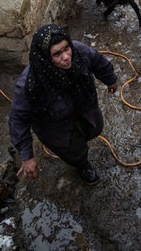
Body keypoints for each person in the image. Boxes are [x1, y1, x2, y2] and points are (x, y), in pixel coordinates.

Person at [9, 24, 118, 185]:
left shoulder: (79, 52)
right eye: (57, 54)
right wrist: (27, 156)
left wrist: (110, 79)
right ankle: (82, 165)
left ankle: (83, 144)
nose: (66, 56)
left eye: (66, 48)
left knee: (95, 128)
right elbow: (17, 120)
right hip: (56, 128)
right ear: (45, 57)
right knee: (75, 152)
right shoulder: (30, 84)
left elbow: (97, 60)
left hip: (85, 108)